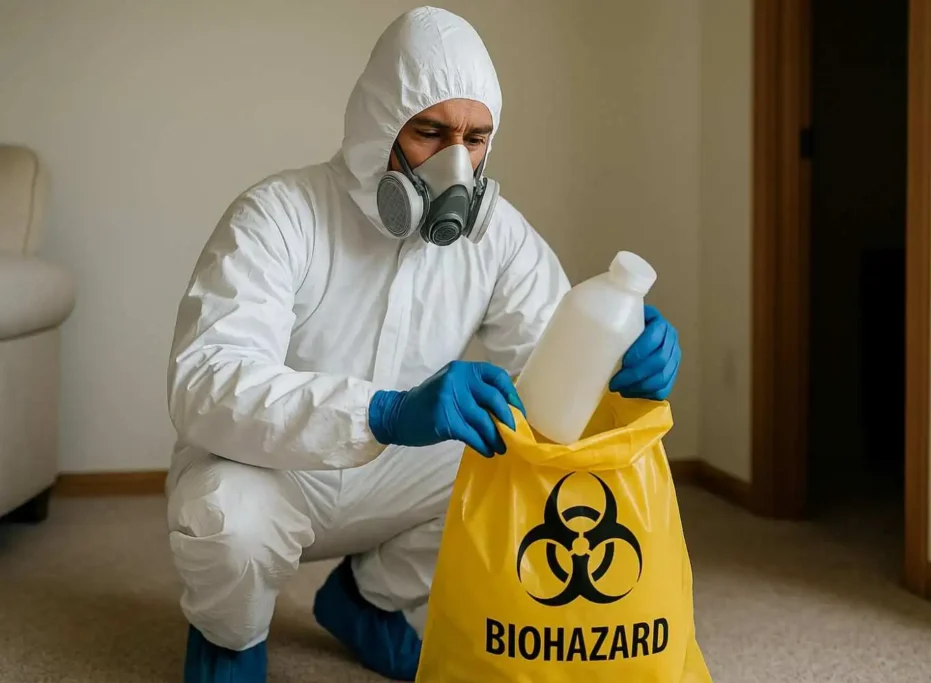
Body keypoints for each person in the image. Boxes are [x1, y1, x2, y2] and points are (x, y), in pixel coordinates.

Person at [164, 6, 682, 683]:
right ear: (380, 124)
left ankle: (368, 601)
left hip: (396, 475)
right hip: (275, 471)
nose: (456, 165)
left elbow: (554, 374)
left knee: (528, 454)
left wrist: (621, 365)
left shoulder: (498, 238)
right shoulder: (279, 216)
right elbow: (206, 382)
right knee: (225, 520)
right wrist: (384, 411)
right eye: (431, 133)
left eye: (476, 137)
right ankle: (229, 638)